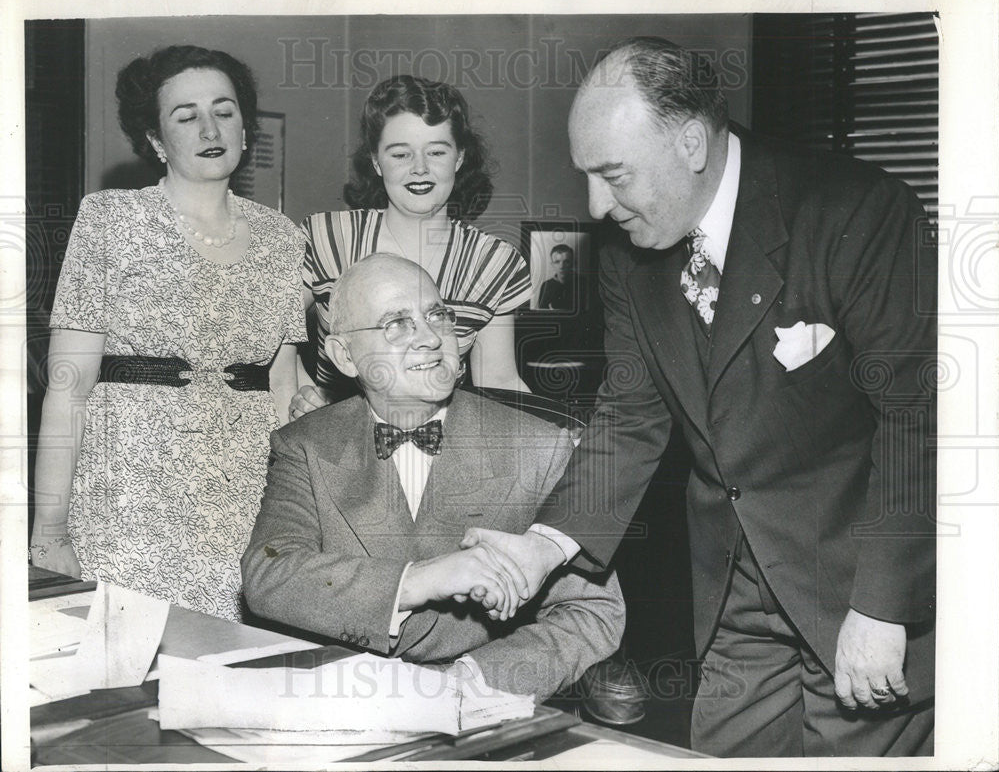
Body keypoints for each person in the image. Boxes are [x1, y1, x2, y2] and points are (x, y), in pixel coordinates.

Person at [461, 37, 937, 756]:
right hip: (736, 597)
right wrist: (540, 547)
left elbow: (918, 421)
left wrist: (882, 604)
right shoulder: (631, 255)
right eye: (586, 176)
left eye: (612, 174)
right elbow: (629, 417)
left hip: (856, 588)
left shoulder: (854, 212)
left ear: (689, 144)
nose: (595, 205)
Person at [242, 254, 624, 701]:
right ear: (345, 356)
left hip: (480, 702)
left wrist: (472, 680)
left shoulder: (539, 446)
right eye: (396, 323)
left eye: (436, 316)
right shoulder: (306, 443)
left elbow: (594, 612)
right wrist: (418, 580)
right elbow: (269, 573)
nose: (428, 337)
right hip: (343, 696)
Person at [30, 45, 307, 623]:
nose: (210, 128)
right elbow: (68, 389)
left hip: (244, 491)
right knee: (127, 673)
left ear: (244, 127)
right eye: (186, 116)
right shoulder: (111, 220)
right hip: (128, 491)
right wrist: (49, 528)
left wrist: (298, 518)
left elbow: (284, 389)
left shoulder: (283, 237)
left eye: (224, 111)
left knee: (229, 670)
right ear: (156, 140)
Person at [291, 75, 531, 419]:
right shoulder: (328, 238)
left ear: (459, 157)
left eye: (436, 151)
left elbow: (499, 381)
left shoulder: (494, 264)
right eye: (401, 153)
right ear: (376, 161)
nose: (420, 168)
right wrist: (304, 392)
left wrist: (557, 437)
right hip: (332, 444)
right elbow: (265, 335)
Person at [537, 244, 576, 310]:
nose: (562, 266)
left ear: (572, 263)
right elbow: (542, 313)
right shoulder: (546, 286)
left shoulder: (582, 283)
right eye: (557, 262)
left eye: (566, 262)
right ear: (552, 265)